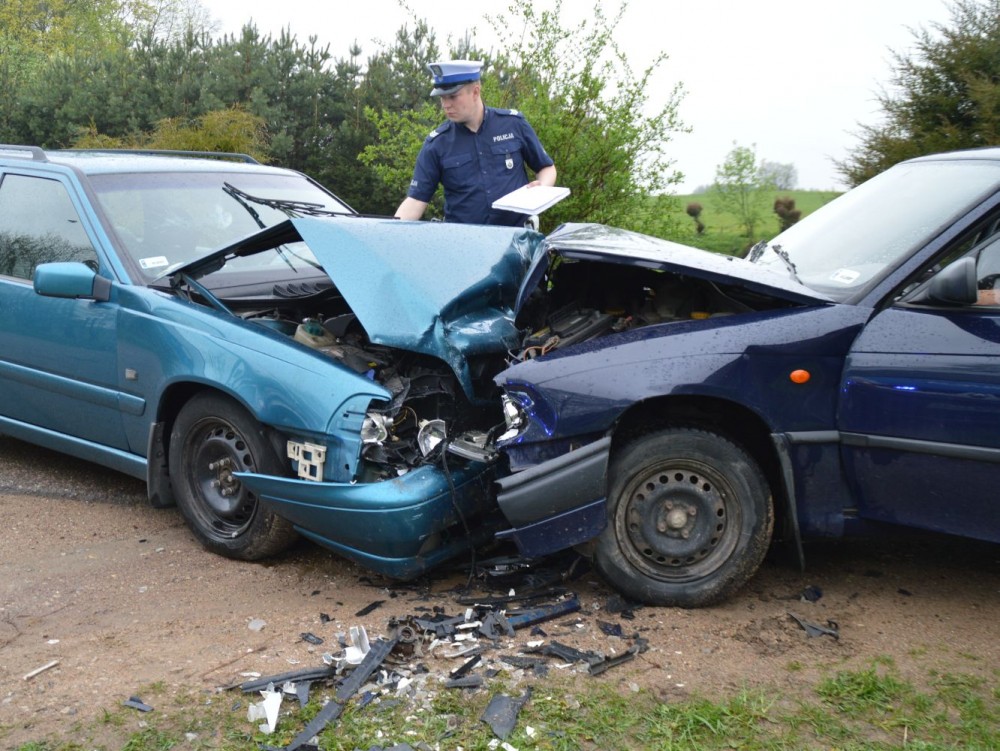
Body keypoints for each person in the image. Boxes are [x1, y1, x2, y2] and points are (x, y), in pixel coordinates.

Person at [395, 60, 557, 226]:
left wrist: (542, 187)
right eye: (442, 98)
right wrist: (391, 230)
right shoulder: (437, 144)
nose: (446, 105)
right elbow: (416, 200)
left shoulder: (513, 124)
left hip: (517, 237)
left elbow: (546, 168)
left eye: (452, 96)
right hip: (465, 239)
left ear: (475, 92)